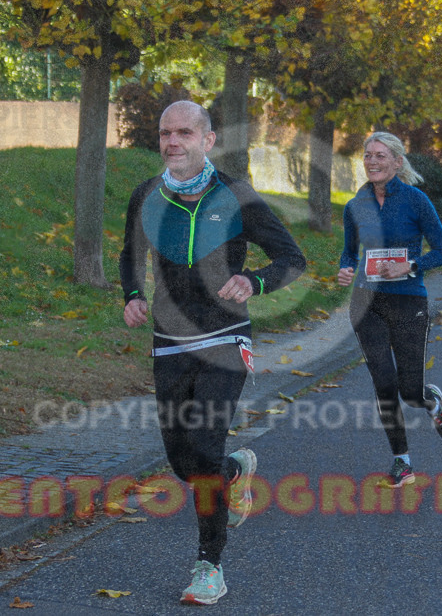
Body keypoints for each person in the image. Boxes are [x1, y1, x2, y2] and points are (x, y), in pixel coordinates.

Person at [119, 100, 306, 605]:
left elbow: (292, 258)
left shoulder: (237, 196)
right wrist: (133, 297)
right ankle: (233, 470)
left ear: (208, 140)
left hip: (226, 337)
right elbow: (129, 256)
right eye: (164, 133)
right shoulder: (146, 195)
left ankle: (210, 565)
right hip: (169, 341)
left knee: (203, 444)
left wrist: (254, 280)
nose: (172, 142)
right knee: (184, 462)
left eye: (184, 132)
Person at [337, 131, 442, 489]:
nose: (372, 161)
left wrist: (409, 266)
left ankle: (431, 401)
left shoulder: (417, 201)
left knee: (409, 390)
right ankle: (402, 460)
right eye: (368, 155)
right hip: (366, 301)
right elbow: (349, 251)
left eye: (380, 156)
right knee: (384, 384)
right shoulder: (355, 204)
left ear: (397, 162)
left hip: (408, 301)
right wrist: (345, 268)